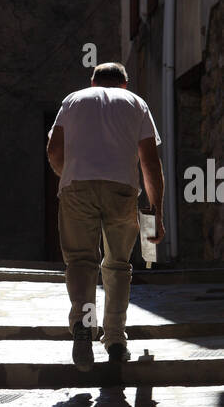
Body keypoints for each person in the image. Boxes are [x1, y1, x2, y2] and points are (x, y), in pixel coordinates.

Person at [46, 62, 165, 371]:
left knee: (81, 261)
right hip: (122, 190)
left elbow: (53, 150)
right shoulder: (136, 103)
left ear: (93, 82)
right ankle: (114, 339)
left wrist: (68, 176)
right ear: (124, 84)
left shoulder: (73, 100)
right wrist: (157, 211)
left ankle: (84, 324)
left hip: (77, 187)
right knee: (117, 265)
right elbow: (150, 163)